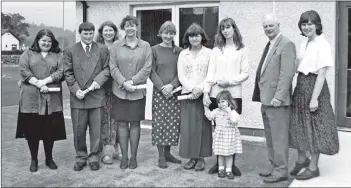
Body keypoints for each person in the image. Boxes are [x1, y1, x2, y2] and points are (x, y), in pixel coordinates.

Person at [289, 10, 339, 180]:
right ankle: (302, 159)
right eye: (304, 24)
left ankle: (313, 167)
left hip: (314, 88)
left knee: (314, 128)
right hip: (302, 85)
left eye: (310, 23)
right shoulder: (305, 43)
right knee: (299, 124)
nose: (307, 27)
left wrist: (314, 98)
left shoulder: (321, 43)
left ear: (317, 25)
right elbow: (299, 65)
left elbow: (322, 73)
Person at [252, 14, 296, 183]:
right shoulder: (270, 44)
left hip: (277, 101)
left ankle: (281, 170)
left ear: (278, 25)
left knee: (278, 138)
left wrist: (279, 97)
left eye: (271, 25)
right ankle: (273, 165)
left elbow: (287, 74)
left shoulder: (286, 44)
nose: (268, 29)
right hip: (266, 100)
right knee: (270, 137)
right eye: (265, 27)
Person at [203, 17, 249, 176]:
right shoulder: (217, 50)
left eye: (228, 27)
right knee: (219, 129)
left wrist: (229, 81)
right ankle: (219, 164)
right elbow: (210, 73)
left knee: (232, 128)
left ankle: (231, 165)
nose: (226, 30)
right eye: (223, 28)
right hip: (217, 94)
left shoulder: (242, 49)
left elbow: (245, 73)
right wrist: (206, 92)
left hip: (234, 95)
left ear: (234, 29)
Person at [16, 29, 66, 172]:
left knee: (49, 131)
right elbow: (24, 71)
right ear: (38, 40)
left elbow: (61, 72)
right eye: (44, 40)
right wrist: (38, 84)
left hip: (51, 99)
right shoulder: (27, 54)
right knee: (32, 131)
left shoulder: (58, 55)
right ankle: (34, 159)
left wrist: (45, 81)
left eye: (49, 41)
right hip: (31, 99)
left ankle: (49, 158)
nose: (47, 43)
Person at [64, 22, 110, 171]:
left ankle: (94, 157)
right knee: (79, 130)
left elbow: (107, 69)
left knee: (96, 130)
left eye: (91, 33)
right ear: (80, 34)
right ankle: (80, 157)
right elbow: (68, 72)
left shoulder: (102, 49)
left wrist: (98, 81)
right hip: (78, 97)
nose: (89, 36)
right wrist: (75, 89)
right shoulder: (70, 50)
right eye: (85, 33)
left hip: (97, 96)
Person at [109, 15, 152, 169]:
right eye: (127, 25)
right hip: (119, 92)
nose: (130, 28)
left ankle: (133, 157)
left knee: (135, 123)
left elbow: (147, 68)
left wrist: (132, 82)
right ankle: (124, 157)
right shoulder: (115, 46)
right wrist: (123, 83)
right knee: (121, 124)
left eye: (133, 25)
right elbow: (112, 67)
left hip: (138, 92)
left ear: (137, 27)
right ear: (123, 28)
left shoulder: (145, 46)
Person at [177, 23, 212, 171]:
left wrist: (201, 89)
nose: (194, 38)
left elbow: (211, 73)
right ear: (188, 38)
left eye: (197, 35)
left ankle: (201, 158)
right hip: (188, 95)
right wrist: (192, 89)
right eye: (191, 36)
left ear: (202, 36)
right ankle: (192, 158)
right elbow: (181, 74)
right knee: (189, 127)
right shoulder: (183, 54)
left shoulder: (209, 53)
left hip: (204, 95)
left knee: (203, 128)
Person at [149, 21, 183, 169]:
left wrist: (172, 85)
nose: (168, 36)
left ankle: (168, 153)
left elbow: (181, 72)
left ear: (174, 34)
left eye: (171, 33)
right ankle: (161, 156)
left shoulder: (179, 51)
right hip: (159, 93)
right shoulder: (154, 50)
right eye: (165, 32)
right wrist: (162, 87)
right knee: (160, 124)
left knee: (173, 124)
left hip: (175, 93)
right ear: (160, 33)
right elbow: (151, 71)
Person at [96, 20, 122, 164]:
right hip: (102, 89)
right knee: (104, 120)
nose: (108, 33)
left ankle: (117, 151)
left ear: (115, 32)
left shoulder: (119, 46)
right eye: (105, 30)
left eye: (111, 30)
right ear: (101, 32)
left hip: (118, 88)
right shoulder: (97, 48)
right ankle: (106, 153)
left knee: (117, 119)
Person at [204, 90, 242, 180]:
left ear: (229, 101)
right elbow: (209, 116)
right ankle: (221, 169)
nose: (221, 104)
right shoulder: (217, 111)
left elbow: (235, 120)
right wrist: (206, 107)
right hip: (220, 136)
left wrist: (229, 111)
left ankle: (229, 170)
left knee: (229, 154)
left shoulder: (233, 112)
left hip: (229, 137)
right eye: (219, 102)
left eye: (223, 101)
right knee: (220, 153)